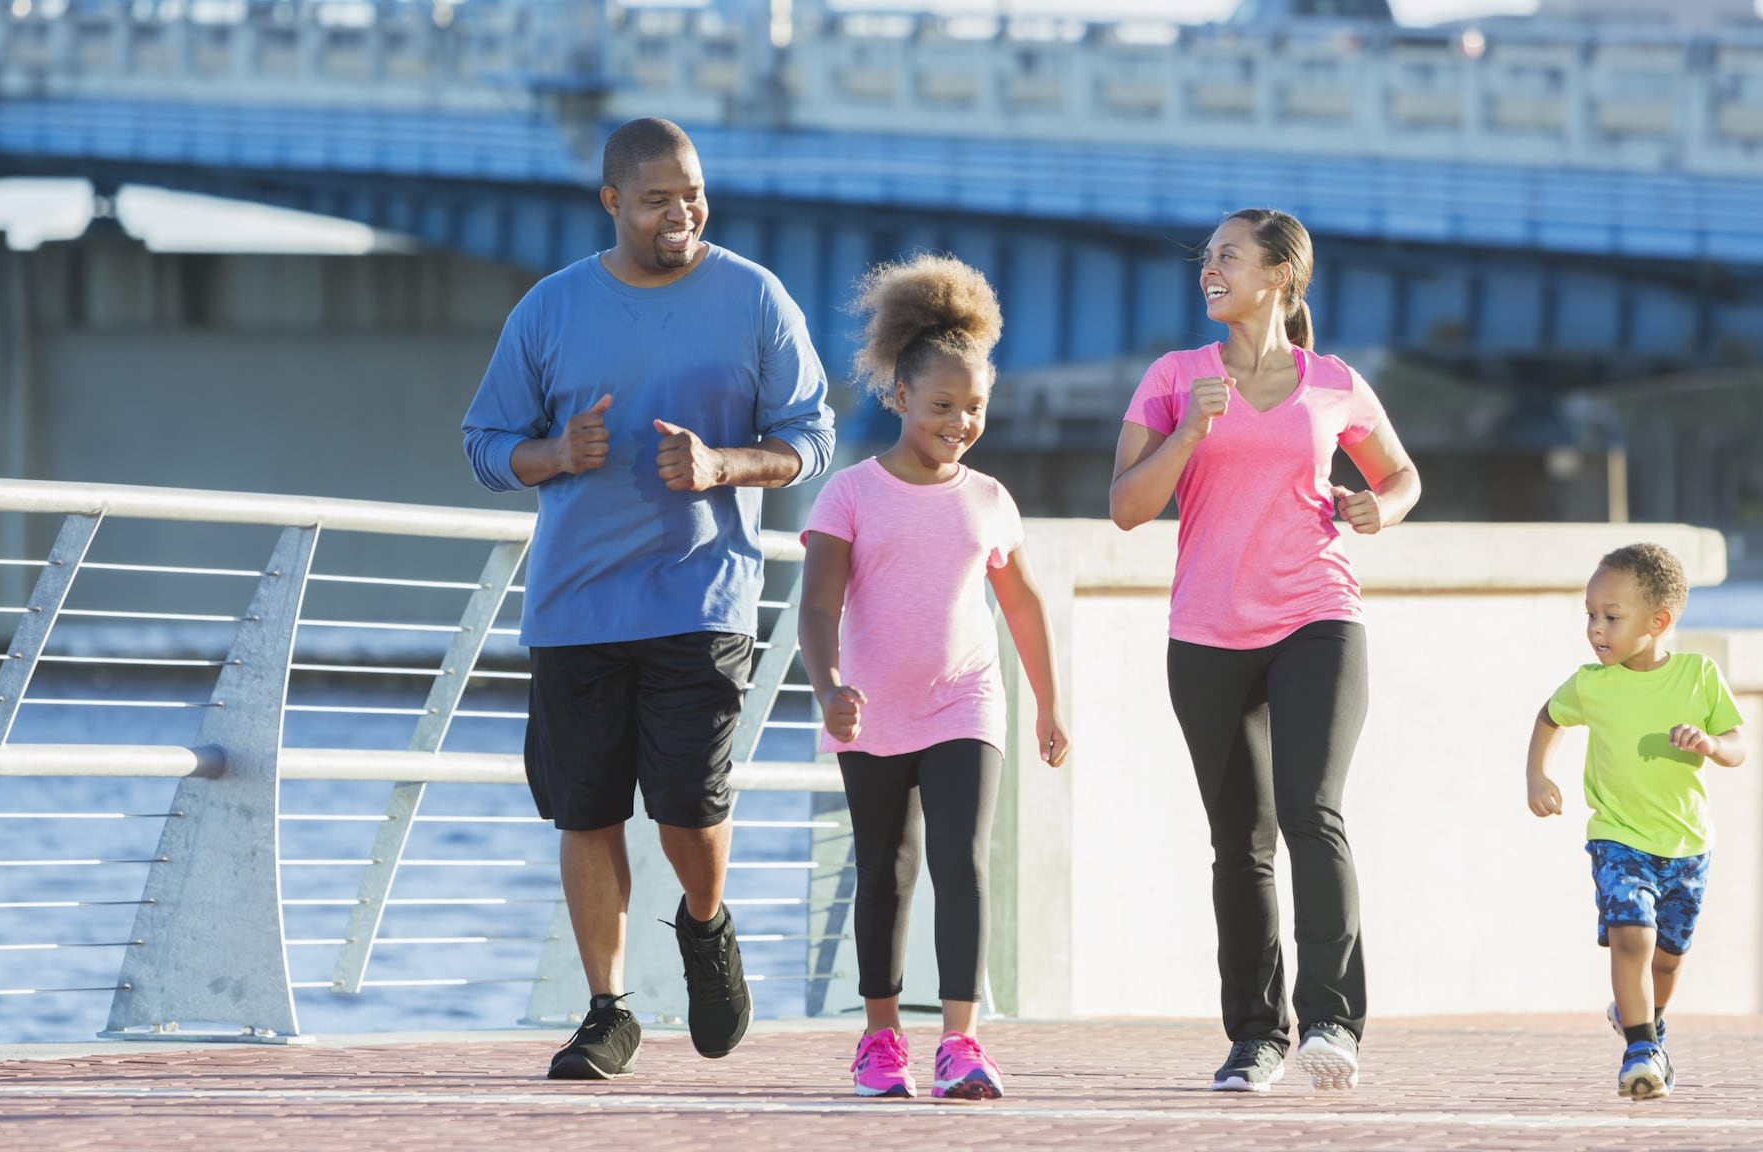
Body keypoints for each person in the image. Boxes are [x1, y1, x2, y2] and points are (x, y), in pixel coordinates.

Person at [461, 117, 835, 1081]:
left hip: (702, 598)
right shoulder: (550, 309)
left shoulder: (756, 298)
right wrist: (554, 455)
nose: (683, 211)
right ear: (613, 202)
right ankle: (607, 1012)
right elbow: (485, 445)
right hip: (575, 606)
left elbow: (813, 436)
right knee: (586, 813)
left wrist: (726, 464)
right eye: (660, 196)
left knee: (687, 806)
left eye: (695, 193)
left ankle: (705, 928)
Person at [1107, 208, 1421, 1093]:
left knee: (1311, 811)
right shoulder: (1174, 379)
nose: (1209, 270)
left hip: (1318, 612)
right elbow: (1126, 506)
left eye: (1228, 257)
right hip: (1206, 631)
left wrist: (1377, 508)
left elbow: (1401, 475)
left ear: (1280, 275)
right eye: (1206, 258)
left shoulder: (1335, 382)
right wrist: (1188, 435)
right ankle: (1256, 1036)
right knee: (1240, 843)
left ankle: (1332, 1021)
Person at [798, 254, 1070, 1101]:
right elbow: (817, 607)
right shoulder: (850, 494)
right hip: (871, 705)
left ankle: (961, 1043)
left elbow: (1021, 605)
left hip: (966, 700)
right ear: (899, 398)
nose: (959, 422)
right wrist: (829, 687)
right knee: (885, 867)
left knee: (963, 861)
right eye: (942, 405)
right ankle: (880, 1042)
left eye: (975, 408)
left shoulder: (989, 497)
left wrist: (1050, 706)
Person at [1523, 543, 1745, 1100]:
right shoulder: (1591, 684)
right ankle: (1640, 1049)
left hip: (1688, 844)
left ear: (1659, 622)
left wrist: (1713, 744)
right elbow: (1549, 717)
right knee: (1632, 937)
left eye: (1611, 618)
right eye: (1590, 615)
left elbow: (1738, 744)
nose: (1596, 629)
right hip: (1618, 836)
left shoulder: (1698, 676)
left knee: (1667, 960)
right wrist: (1537, 776)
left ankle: (1650, 1025)